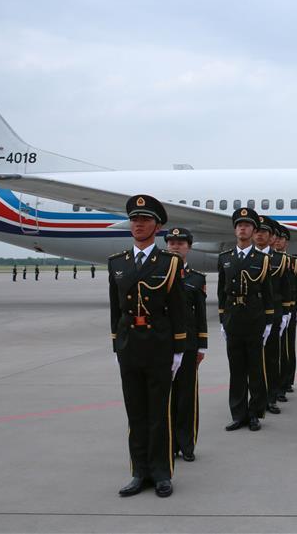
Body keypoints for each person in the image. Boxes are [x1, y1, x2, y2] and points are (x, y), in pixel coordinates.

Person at [108, 194, 189, 498]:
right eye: (134, 219)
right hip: (130, 344)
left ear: (157, 226)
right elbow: (116, 309)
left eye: (144, 220)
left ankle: (161, 472)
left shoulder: (169, 263)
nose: (138, 224)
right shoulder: (117, 263)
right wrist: (116, 345)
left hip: (158, 345)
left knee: (159, 413)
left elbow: (178, 308)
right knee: (135, 412)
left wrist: (179, 350)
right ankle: (139, 471)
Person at [217, 208, 274, 432]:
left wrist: (268, 321)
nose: (243, 228)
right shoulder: (225, 258)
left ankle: (255, 413)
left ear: (253, 230)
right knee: (236, 369)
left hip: (254, 317)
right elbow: (221, 292)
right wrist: (222, 319)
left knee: (255, 369)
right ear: (235, 230)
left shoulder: (262, 259)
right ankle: (238, 414)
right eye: (239, 225)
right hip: (233, 318)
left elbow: (267, 292)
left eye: (247, 225)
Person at [165, 227, 207, 462]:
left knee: (187, 396)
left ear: (189, 247)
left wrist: (202, 346)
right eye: (171, 242)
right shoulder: (157, 274)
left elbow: (200, 315)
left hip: (189, 346)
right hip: (163, 344)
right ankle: (169, 443)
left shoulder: (196, 278)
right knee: (165, 397)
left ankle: (187, 444)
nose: (175, 246)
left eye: (181, 243)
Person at [252, 217, 292, 414]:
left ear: (271, 237)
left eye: (264, 232)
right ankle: (255, 401)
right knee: (252, 361)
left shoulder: (280, 260)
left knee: (272, 357)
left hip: (273, 314)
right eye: (257, 231)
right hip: (250, 315)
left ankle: (271, 396)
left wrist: (286, 313)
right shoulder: (242, 258)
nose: (260, 235)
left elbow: (285, 289)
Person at [274, 225, 297, 395]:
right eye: (276, 238)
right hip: (273, 308)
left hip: (290, 309)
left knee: (287, 346)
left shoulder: (294, 262)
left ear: (286, 242)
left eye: (281, 238)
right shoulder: (267, 260)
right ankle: (275, 383)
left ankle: (286, 381)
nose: (278, 241)